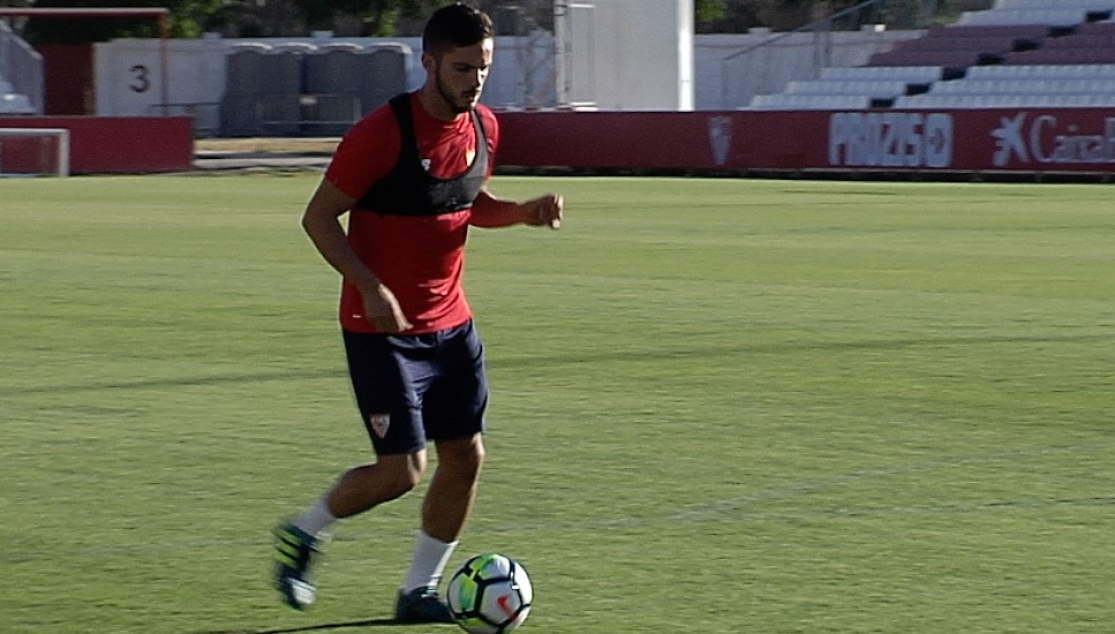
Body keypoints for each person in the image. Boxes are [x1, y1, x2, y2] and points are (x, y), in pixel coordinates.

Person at [272, 1, 563, 624]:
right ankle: (306, 529)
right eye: (461, 68)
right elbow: (318, 218)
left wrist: (521, 212)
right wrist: (370, 287)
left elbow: (463, 201)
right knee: (402, 470)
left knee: (467, 457)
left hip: (452, 325)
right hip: (381, 331)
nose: (474, 80)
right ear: (428, 62)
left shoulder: (484, 126)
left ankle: (417, 592)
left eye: (482, 67)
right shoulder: (382, 134)